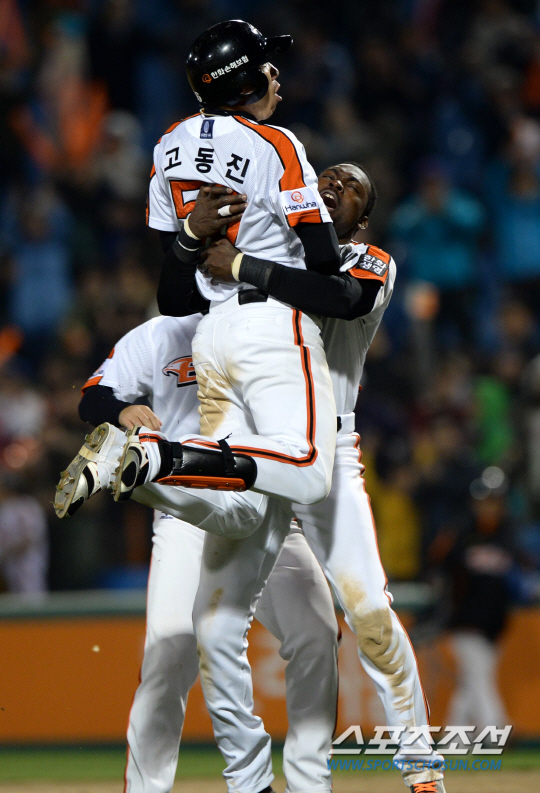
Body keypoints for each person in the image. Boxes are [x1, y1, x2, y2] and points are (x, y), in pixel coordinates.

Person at [57, 162, 446, 793]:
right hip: (246, 451)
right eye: (327, 177)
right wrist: (193, 239)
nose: (334, 185)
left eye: (351, 187)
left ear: (364, 220)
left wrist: (240, 265)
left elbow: (342, 297)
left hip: (325, 449)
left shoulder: (363, 259)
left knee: (368, 612)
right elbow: (176, 302)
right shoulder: (259, 256)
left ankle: (422, 771)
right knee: (212, 627)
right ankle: (252, 782)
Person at [133, 19, 342, 506]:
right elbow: (325, 257)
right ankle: (167, 457)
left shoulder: (168, 144)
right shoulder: (275, 144)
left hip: (211, 335)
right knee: (310, 474)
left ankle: (145, 469)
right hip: (270, 322)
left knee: (243, 510)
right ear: (245, 83)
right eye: (266, 66)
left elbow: (171, 256)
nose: (276, 74)